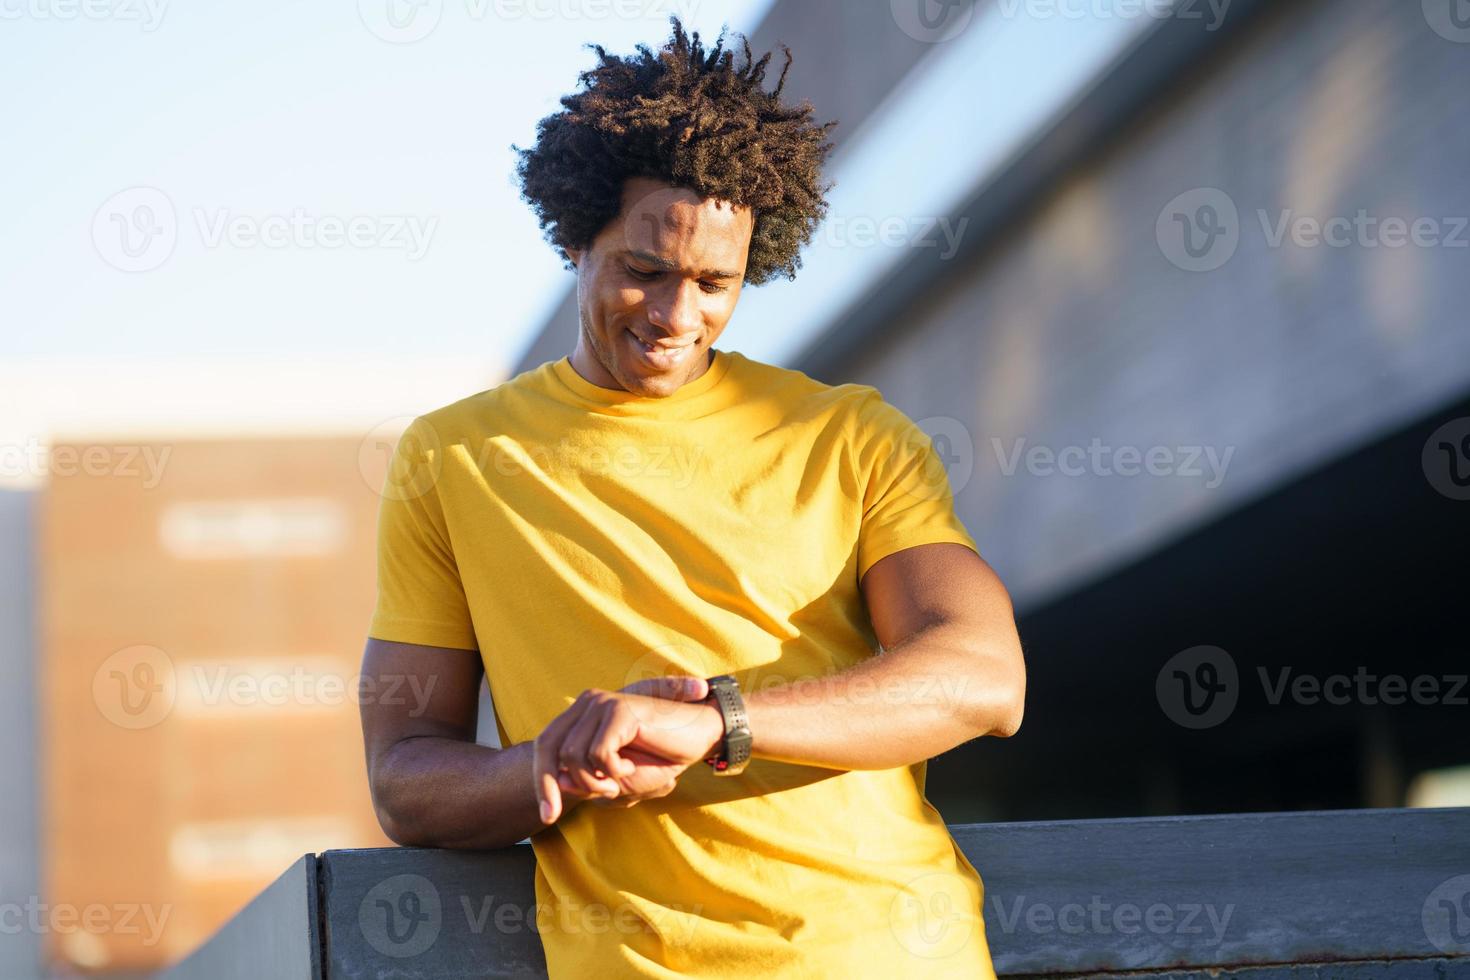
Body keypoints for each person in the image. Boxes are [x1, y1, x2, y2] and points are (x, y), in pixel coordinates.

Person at [359, 18, 1025, 978]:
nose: (678, 317)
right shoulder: (456, 458)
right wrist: (546, 767)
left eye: (717, 283)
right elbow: (404, 782)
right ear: (575, 237)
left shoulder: (846, 434)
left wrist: (718, 722)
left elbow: (982, 677)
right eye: (644, 271)